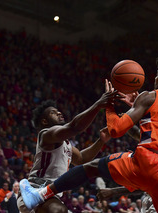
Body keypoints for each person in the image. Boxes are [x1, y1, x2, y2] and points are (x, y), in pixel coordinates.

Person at [20, 50, 158, 213]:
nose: (155, 79)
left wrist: (109, 106)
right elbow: (157, 130)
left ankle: (39, 195)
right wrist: (139, 108)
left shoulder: (150, 96)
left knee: (92, 167)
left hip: (150, 163)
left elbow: (116, 129)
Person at [18, 82, 118, 213]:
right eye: (54, 113)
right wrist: (98, 104)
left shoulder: (65, 143)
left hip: (51, 195)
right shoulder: (46, 134)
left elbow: (81, 158)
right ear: (44, 121)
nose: (59, 113)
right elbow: (74, 127)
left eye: (58, 111)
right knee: (58, 210)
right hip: (35, 190)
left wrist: (101, 141)